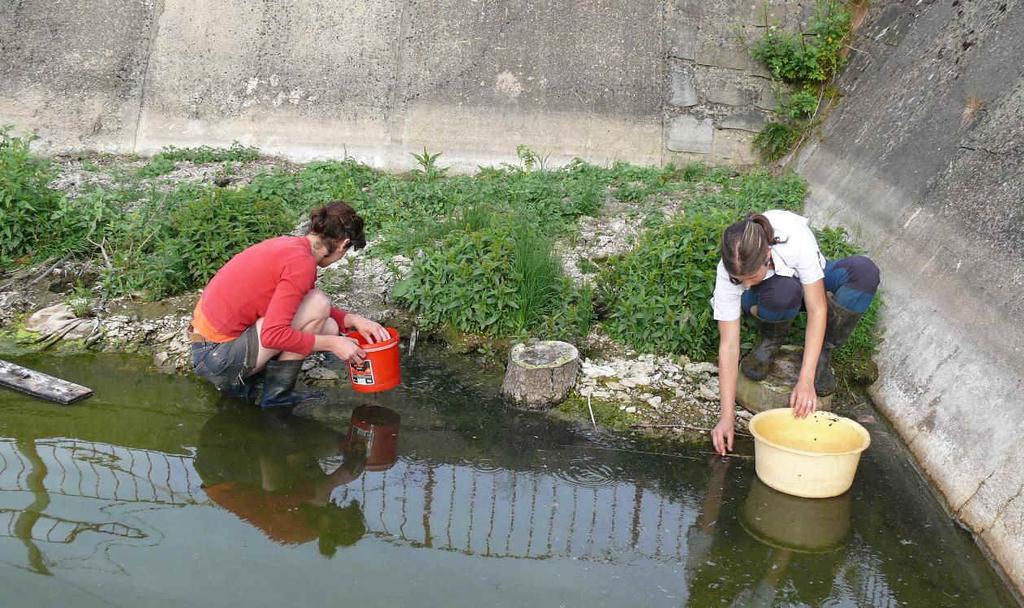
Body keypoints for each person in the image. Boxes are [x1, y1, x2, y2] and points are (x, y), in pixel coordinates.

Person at [188, 201, 390, 408]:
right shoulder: (301, 264)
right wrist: (334, 344)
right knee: (319, 306)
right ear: (343, 244)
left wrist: (353, 320)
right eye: (345, 252)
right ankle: (276, 398)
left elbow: (300, 305)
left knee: (328, 325)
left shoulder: (291, 247)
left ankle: (261, 384)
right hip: (216, 359)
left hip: (206, 347)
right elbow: (272, 334)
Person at [710, 210, 879, 455]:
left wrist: (805, 380)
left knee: (864, 272)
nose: (744, 285)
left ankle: (822, 353)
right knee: (782, 290)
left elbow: (817, 309)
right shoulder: (730, 271)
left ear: (767, 254)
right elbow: (728, 345)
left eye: (750, 277)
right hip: (772, 296)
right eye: (739, 280)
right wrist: (726, 417)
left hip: (809, 283)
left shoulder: (795, 242)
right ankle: (770, 340)